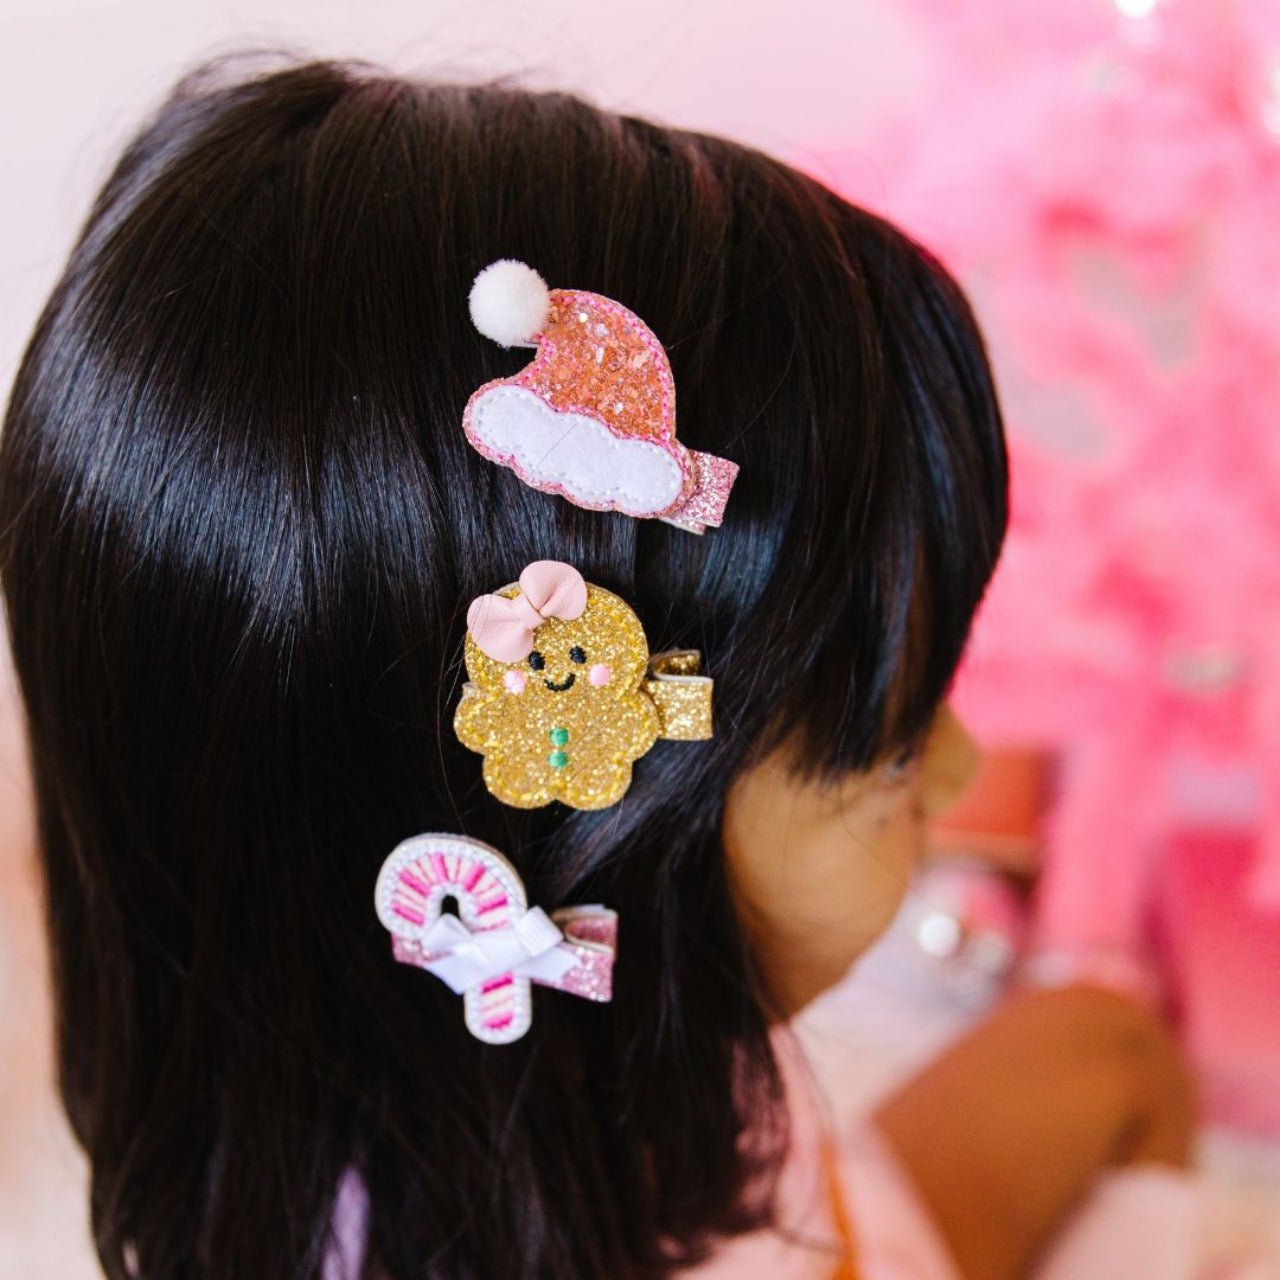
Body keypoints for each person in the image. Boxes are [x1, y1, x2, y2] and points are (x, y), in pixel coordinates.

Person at [0, 58, 1198, 1280]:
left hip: (758, 1187)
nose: (955, 763)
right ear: (571, 855)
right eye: (881, 757)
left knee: (1107, 1048)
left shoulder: (528, 1058)